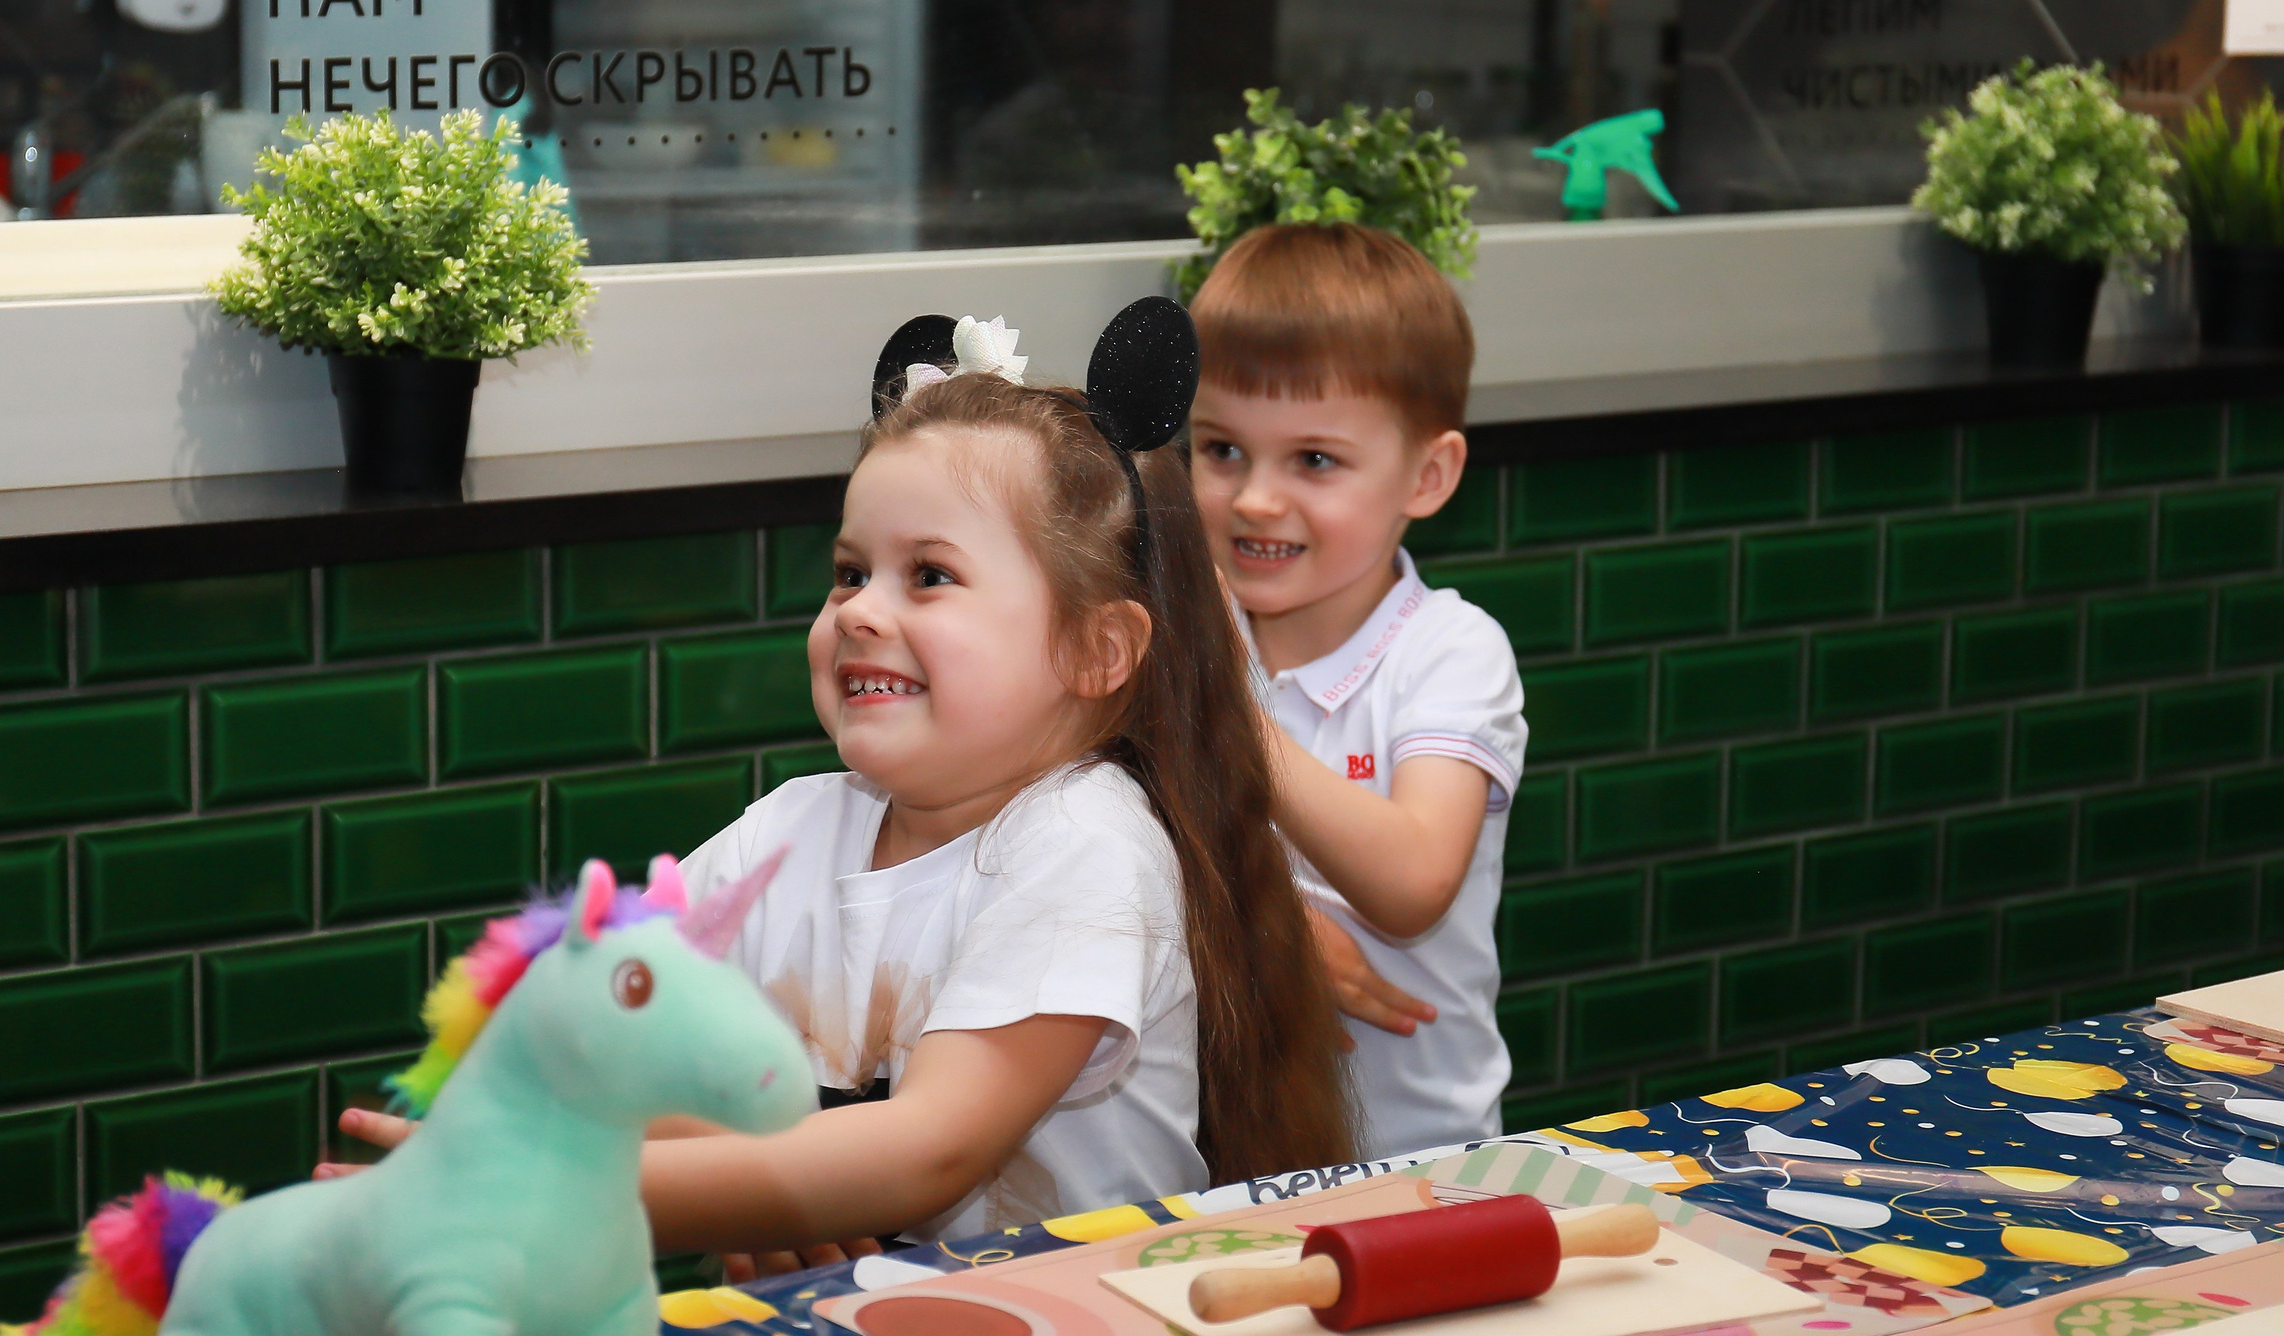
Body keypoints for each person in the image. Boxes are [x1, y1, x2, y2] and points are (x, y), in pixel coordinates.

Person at [332, 303, 1353, 1260]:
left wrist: (555, 1176)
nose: (861, 611)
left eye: (930, 576)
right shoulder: (794, 831)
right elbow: (581, 1016)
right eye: (850, 571)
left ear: (1096, 650)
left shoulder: (1083, 850)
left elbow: (925, 1154)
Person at [1189, 223, 1527, 1159]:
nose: (1255, 498)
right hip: (1220, 1165)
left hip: (1424, 1165)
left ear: (1429, 474)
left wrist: (1230, 718)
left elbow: (1413, 883)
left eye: (1315, 460)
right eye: (1221, 449)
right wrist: (1271, 924)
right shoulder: (1176, 638)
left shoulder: (1451, 651)